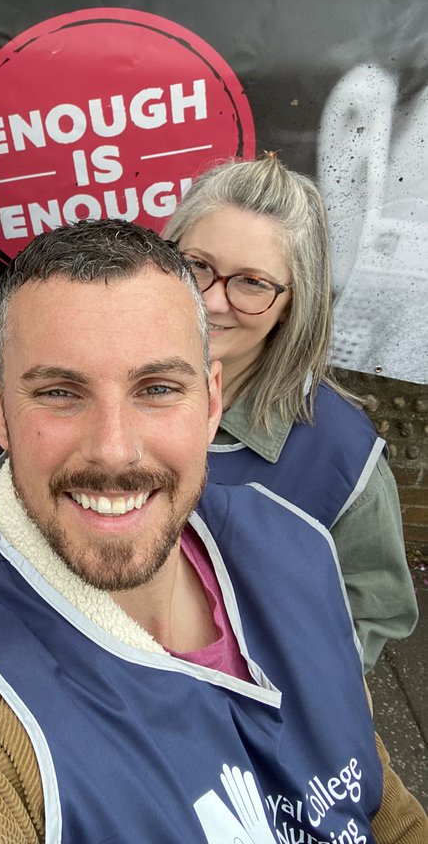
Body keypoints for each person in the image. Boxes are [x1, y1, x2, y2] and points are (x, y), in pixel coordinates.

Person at [0, 219, 426, 844]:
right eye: (60, 393)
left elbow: (375, 809)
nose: (113, 450)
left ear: (211, 401)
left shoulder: (295, 545)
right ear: (1, 412)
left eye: (157, 388)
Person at [163, 154, 417, 672]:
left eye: (252, 282)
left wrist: (291, 688)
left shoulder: (341, 459)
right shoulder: (95, 385)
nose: (212, 301)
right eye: (197, 266)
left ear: (293, 302)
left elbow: (373, 610)